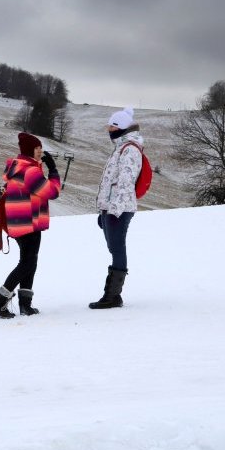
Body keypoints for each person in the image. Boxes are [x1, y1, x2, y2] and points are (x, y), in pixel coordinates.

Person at [0, 132, 61, 318]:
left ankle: (25, 305)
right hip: (28, 222)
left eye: (41, 148)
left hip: (19, 222)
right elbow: (52, 192)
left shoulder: (18, 167)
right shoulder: (30, 171)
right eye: (37, 148)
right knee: (27, 264)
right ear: (29, 150)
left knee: (29, 262)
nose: (40, 151)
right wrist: (53, 170)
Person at [90, 107, 143, 310]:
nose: (109, 130)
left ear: (121, 127)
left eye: (112, 126)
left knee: (117, 248)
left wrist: (115, 211)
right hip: (109, 208)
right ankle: (112, 295)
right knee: (113, 247)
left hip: (119, 209)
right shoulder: (120, 148)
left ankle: (112, 296)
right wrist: (103, 210)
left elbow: (125, 183)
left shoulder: (130, 150)